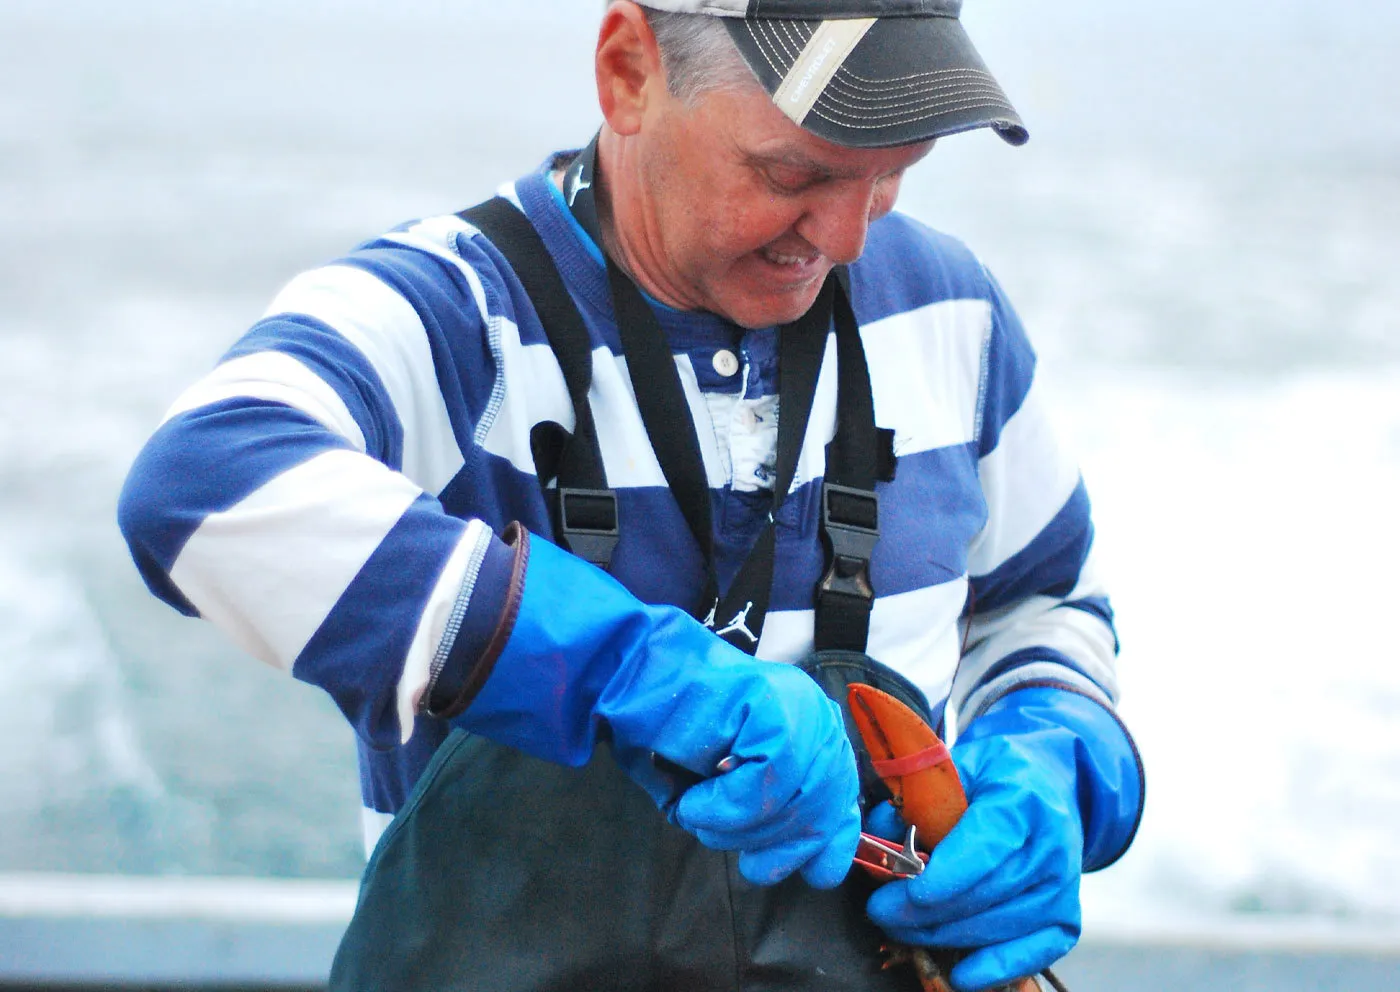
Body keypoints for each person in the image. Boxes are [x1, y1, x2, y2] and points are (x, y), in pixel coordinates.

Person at [118, 2, 1144, 990]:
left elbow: (1040, 601)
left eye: (892, 174)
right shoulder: (457, 310)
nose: (843, 239)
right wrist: (620, 665)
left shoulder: (953, 311)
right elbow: (203, 481)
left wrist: (1051, 755)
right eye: (794, 171)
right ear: (627, 71)